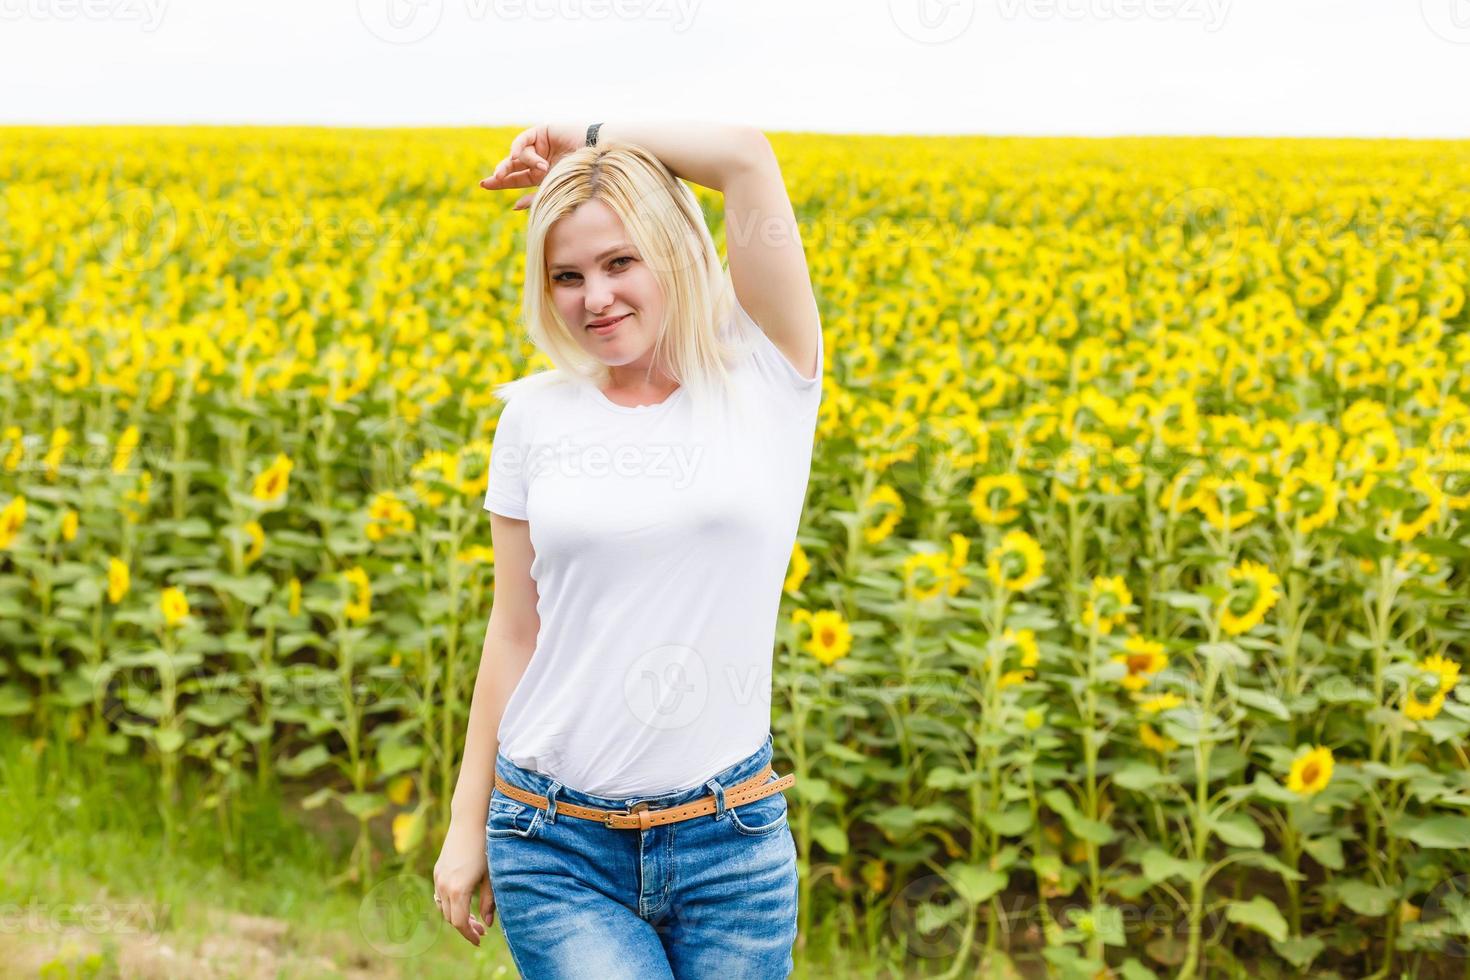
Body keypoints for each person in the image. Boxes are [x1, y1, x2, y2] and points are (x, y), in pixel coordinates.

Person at [431, 121, 825, 979]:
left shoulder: (766, 378)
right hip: (555, 842)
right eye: (566, 276)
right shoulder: (535, 416)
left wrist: (585, 138)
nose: (593, 297)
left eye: (620, 262)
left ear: (674, 251)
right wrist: (467, 825)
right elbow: (514, 634)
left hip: (732, 846)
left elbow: (745, 156)